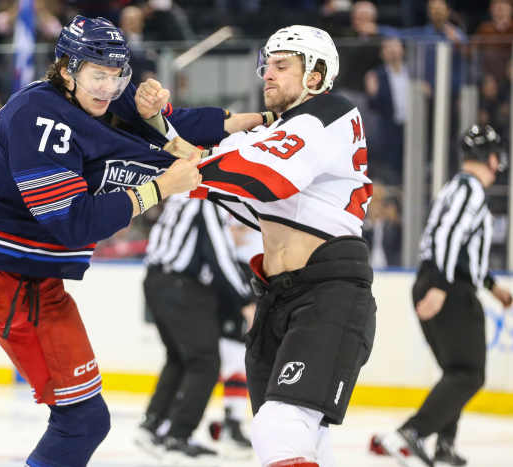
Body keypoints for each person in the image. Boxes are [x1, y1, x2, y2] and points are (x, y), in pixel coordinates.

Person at [0, 15, 202, 467]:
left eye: (117, 77)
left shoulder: (106, 112)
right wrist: (157, 187)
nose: (108, 87)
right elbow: (71, 223)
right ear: (67, 69)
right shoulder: (39, 112)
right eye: (98, 74)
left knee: (87, 420)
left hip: (40, 284)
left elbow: (190, 137)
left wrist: (177, 132)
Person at [163, 25, 378, 466]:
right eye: (267, 66)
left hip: (329, 295)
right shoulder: (279, 133)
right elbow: (208, 169)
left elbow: (266, 176)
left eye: (282, 66)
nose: (268, 75)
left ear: (316, 75)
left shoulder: (329, 114)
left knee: (278, 428)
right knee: (294, 441)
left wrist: (190, 165)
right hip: (280, 297)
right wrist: (148, 122)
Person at [380, 124, 513, 467]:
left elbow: (462, 248)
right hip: (448, 285)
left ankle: (443, 445)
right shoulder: (469, 190)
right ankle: (411, 433)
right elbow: (448, 237)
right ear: (493, 158)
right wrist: (440, 285)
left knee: (457, 370)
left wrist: (491, 286)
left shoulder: (459, 188)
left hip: (443, 280)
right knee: (469, 373)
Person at [136, 194, 255, 461]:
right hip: (182, 286)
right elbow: (220, 256)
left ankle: (152, 425)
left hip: (156, 281)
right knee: (205, 362)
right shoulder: (205, 201)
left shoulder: (181, 198)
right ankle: (178, 436)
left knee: (179, 358)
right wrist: (245, 300)